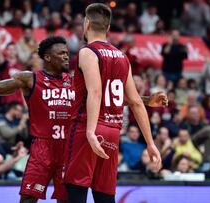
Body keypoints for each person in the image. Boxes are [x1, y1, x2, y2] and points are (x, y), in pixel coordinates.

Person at [0, 36, 166, 202]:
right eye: (62, 54)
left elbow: (107, 98)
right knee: (28, 198)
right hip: (42, 147)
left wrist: (147, 100)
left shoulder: (76, 80)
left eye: (67, 53)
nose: (67, 57)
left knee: (67, 200)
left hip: (70, 148)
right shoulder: (30, 78)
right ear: (48, 57)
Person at [64, 4, 162, 203]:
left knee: (75, 190)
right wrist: (151, 143)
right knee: (104, 195)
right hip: (113, 132)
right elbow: (135, 102)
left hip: (87, 128)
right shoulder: (122, 57)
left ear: (87, 23)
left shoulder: (87, 52)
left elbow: (95, 92)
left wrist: (91, 132)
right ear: (108, 29)